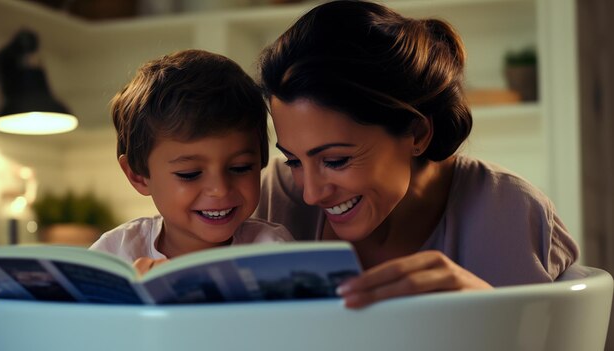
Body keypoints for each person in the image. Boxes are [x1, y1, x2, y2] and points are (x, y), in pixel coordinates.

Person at [254, 0, 579, 308]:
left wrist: (487, 314)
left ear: (418, 133)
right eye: (294, 161)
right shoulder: (271, 200)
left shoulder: (508, 213)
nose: (311, 193)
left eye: (336, 160)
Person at [90, 49, 293, 274]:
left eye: (240, 168)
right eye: (190, 173)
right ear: (138, 176)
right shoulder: (114, 254)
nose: (219, 189)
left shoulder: (273, 250)